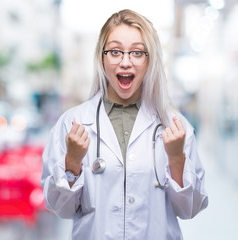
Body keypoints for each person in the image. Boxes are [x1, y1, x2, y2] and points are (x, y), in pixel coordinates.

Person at [41, 9, 208, 240]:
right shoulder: (71, 124)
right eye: (115, 52)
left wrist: (177, 159)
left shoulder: (175, 127)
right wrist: (72, 163)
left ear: (150, 60)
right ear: (102, 57)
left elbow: (190, 209)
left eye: (137, 52)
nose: (125, 62)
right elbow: (60, 208)